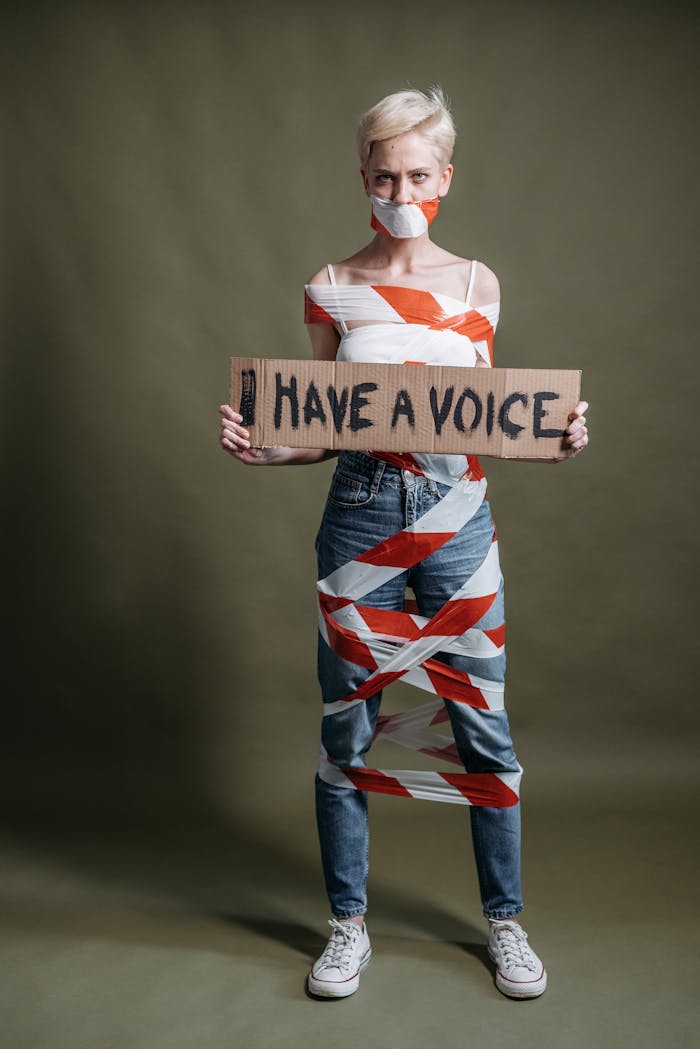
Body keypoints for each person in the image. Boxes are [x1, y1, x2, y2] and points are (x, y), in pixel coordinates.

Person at [219, 87, 589, 1001]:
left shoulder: (477, 284)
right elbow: (327, 425)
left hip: (459, 518)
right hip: (360, 512)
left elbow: (489, 416)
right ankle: (347, 925)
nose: (400, 189)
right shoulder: (330, 287)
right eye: (383, 174)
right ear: (363, 178)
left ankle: (504, 922)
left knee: (482, 724)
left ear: (445, 178)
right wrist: (269, 451)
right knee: (350, 722)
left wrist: (559, 433)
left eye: (417, 173)